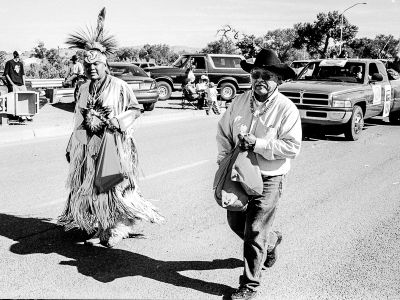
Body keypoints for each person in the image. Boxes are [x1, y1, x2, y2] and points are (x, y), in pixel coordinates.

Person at [58, 7, 164, 248]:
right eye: (88, 66)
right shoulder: (83, 89)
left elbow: (137, 109)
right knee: (90, 186)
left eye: (96, 65)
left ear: (106, 65)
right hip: (88, 146)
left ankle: (117, 227)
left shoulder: (118, 87)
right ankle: (98, 223)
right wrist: (70, 145)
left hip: (114, 146)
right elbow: (77, 120)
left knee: (113, 185)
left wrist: (120, 121)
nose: (91, 69)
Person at [216, 49, 302, 300]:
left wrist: (259, 144)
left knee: (254, 230)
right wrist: (223, 160)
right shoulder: (239, 102)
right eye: (256, 74)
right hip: (239, 174)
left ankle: (249, 286)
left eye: (267, 75)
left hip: (269, 177)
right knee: (235, 222)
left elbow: (292, 147)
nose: (260, 79)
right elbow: (223, 133)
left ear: (278, 80)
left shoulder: (287, 109)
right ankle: (271, 241)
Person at [3, 51, 32, 122]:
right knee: (16, 100)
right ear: (16, 55)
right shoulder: (9, 63)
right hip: (14, 84)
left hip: (21, 84)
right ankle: (20, 116)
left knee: (25, 99)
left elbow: (22, 74)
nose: (20, 56)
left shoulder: (20, 64)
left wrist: (24, 84)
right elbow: (6, 74)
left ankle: (26, 115)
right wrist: (12, 84)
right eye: (19, 55)